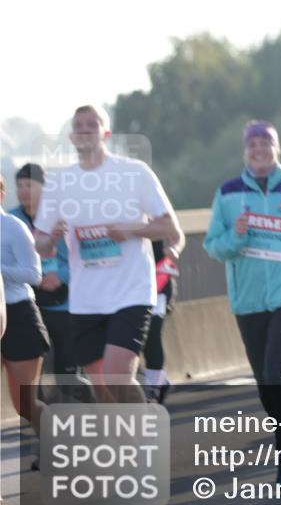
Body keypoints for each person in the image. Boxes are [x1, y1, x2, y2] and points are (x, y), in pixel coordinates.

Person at [204, 120, 281, 485]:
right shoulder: (228, 193)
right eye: (252, 145)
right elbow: (212, 245)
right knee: (264, 379)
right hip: (247, 299)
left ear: (277, 149)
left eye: (266, 144)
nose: (259, 150)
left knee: (277, 371)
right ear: (245, 151)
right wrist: (235, 236)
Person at [34, 105, 182, 404]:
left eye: (93, 123)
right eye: (79, 125)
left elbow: (169, 227)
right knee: (104, 390)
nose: (85, 129)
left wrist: (132, 229)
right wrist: (51, 238)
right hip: (86, 298)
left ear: (106, 132)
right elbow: (40, 244)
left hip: (131, 292)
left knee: (117, 376)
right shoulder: (59, 182)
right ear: (72, 136)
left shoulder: (133, 172)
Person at [11, 163, 85, 402]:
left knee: (68, 377)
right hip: (31, 304)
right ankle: (44, 433)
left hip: (65, 303)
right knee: (34, 383)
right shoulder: (12, 221)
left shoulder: (64, 216)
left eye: (29, 185)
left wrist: (61, 276)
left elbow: (83, 256)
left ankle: (102, 414)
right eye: (19, 186)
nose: (23, 191)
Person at [1, 174, 48, 439]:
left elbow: (34, 274)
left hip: (18, 314)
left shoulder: (13, 227)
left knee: (24, 404)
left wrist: (0, 272)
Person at [143, 237, 184, 403]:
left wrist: (174, 248)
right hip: (125, 285)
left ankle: (155, 386)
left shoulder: (153, 213)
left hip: (158, 282)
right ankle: (159, 381)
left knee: (152, 334)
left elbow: (177, 235)